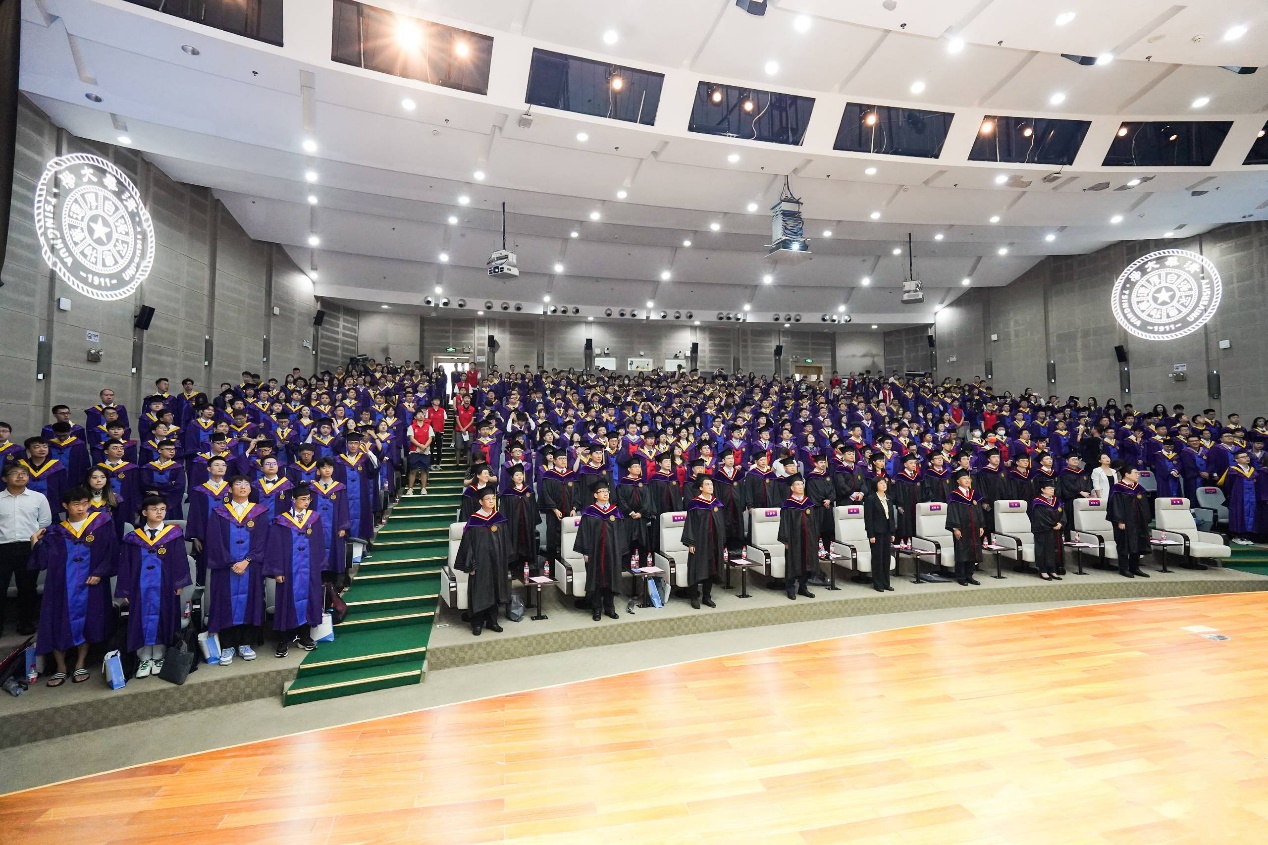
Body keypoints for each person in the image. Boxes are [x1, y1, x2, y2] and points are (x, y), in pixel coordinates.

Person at [31, 486, 117, 685]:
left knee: (87, 622)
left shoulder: (102, 523)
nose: (81, 508)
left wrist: (99, 572)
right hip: (62, 585)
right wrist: (35, 541)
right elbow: (42, 562)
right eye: (76, 504)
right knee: (56, 620)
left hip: (91, 583)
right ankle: (61, 667)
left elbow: (111, 550)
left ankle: (80, 663)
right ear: (65, 505)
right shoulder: (56, 531)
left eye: (85, 503)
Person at [115, 496, 190, 678]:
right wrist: (125, 589)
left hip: (165, 586)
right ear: (144, 512)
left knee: (164, 618)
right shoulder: (133, 538)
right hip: (139, 587)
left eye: (162, 509)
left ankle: (159, 656)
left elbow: (180, 560)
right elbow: (125, 565)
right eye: (154, 509)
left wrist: (179, 583)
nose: (159, 512)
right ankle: (144, 658)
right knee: (140, 619)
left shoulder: (174, 535)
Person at [204, 475, 271, 664]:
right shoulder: (219, 512)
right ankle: (227, 645)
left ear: (250, 489)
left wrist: (247, 560)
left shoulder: (259, 512)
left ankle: (245, 643)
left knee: (250, 602)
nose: (242, 487)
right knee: (225, 602)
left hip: (251, 567)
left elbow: (263, 540)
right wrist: (231, 562)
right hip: (225, 569)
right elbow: (215, 541)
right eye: (238, 484)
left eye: (246, 484)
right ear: (230, 489)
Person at [265, 484, 327, 657]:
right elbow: (275, 547)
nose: (306, 502)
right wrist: (277, 571)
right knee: (286, 602)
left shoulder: (314, 518)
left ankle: (304, 637)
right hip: (288, 570)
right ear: (293, 500)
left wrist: (319, 565)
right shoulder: (281, 521)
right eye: (303, 499)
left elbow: (319, 543)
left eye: (309, 499)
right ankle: (283, 640)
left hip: (309, 569)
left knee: (309, 601)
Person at [0, 462, 53, 636]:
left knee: (28, 587)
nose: (20, 476)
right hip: (2, 547)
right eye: (14, 473)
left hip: (28, 546)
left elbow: (45, 522)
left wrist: (35, 538)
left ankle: (26, 623)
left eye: (24, 473)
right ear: (4, 478)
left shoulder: (38, 498)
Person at [452, 486, 509, 635]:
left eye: (493, 499)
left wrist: (504, 562)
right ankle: (476, 623)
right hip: (480, 563)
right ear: (480, 502)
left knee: (495, 590)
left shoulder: (499, 518)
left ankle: (492, 621)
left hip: (496, 562)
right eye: (487, 499)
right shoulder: (474, 521)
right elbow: (467, 545)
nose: (491, 501)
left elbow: (505, 542)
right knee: (479, 592)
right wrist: (470, 565)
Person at [573, 480, 627, 621]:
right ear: (595, 495)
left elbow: (620, 533)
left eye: (606, 491)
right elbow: (584, 533)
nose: (605, 494)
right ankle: (596, 609)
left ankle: (610, 608)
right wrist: (585, 552)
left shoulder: (615, 512)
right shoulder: (589, 512)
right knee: (596, 580)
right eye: (601, 492)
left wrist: (619, 551)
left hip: (612, 552)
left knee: (611, 579)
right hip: (595, 552)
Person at [681, 476, 725, 610]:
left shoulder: (716, 503)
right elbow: (689, 524)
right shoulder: (695, 504)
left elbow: (720, 524)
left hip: (713, 542)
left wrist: (721, 541)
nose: (710, 487)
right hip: (699, 542)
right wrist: (691, 543)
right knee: (696, 568)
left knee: (711, 568)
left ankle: (707, 596)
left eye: (711, 484)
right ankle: (694, 597)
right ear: (701, 488)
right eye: (707, 484)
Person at [777, 474, 818, 601]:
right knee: (793, 562)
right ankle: (790, 588)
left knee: (806, 561)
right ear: (792, 488)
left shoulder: (809, 503)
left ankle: (803, 587)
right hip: (793, 539)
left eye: (801, 484)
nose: (800, 487)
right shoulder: (788, 505)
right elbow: (784, 524)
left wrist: (815, 537)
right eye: (797, 485)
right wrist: (785, 540)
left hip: (808, 538)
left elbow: (814, 523)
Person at [310, 458, 351, 585]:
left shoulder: (340, 488)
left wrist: (343, 527)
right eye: (323, 467)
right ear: (318, 470)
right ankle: (320, 581)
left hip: (335, 527)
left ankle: (337, 582)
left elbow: (344, 508)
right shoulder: (312, 489)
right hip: (316, 528)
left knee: (336, 554)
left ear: (333, 469)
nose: (327, 470)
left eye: (329, 467)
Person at [1106, 466, 1151, 579]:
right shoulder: (1117, 488)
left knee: (1137, 543)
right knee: (1124, 544)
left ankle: (1134, 568)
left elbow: (1144, 505)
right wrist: (1119, 520)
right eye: (1135, 473)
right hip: (1125, 522)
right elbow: (1115, 506)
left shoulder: (1138, 488)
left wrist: (1145, 519)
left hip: (1138, 521)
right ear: (1126, 474)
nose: (1138, 475)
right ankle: (1123, 568)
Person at [944, 470, 984, 586]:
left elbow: (979, 511)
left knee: (973, 550)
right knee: (962, 551)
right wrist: (955, 528)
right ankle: (961, 576)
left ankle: (969, 575)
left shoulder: (974, 494)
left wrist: (981, 525)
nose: (967, 480)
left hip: (974, 527)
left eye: (968, 478)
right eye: (964, 478)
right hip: (962, 528)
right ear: (958, 481)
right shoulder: (954, 496)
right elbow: (952, 513)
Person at [538, 449, 576, 564]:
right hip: (553, 513)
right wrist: (554, 509)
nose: (563, 461)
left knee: (568, 537)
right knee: (553, 537)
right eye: (560, 459)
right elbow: (546, 493)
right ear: (554, 461)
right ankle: (552, 566)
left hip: (569, 512)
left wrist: (574, 508)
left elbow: (577, 493)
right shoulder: (548, 475)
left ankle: (567, 564)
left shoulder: (571, 475)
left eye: (565, 459)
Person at [501, 465, 540, 576]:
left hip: (527, 524)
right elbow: (503, 510)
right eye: (517, 475)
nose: (519, 477)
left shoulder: (529, 491)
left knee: (527, 541)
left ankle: (528, 565)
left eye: (521, 474)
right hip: (513, 525)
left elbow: (533, 508)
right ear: (512, 478)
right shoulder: (507, 493)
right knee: (514, 543)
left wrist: (533, 522)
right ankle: (513, 567)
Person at [863, 476, 897, 593]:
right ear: (875, 485)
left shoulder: (888, 498)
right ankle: (877, 583)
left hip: (887, 531)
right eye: (881, 483)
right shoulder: (871, 499)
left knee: (886, 558)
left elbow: (891, 517)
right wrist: (870, 535)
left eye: (884, 483)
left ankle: (886, 583)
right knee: (877, 558)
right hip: (876, 533)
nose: (884, 485)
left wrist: (892, 532)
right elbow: (868, 519)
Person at [1219, 450, 1258, 545]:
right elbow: (1228, 485)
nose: (1246, 458)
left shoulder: (1252, 470)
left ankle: (1246, 536)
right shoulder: (1233, 470)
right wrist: (1234, 495)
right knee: (1239, 515)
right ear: (1236, 460)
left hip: (1251, 498)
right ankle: (1237, 536)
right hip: (1238, 497)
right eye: (1243, 457)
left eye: (1247, 456)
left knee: (1251, 514)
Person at [1029, 481, 1064, 582]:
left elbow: (1063, 514)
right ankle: (1043, 571)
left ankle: (1053, 570)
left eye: (1053, 488)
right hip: (1042, 530)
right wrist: (1053, 525)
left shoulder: (1057, 501)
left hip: (1056, 531)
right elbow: (1040, 517)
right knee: (1043, 550)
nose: (1052, 490)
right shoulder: (1038, 502)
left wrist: (1061, 523)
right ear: (1042, 490)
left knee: (1054, 550)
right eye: (1049, 488)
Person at [407, 408, 432, 494]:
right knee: (413, 470)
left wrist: (424, 447)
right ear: (415, 417)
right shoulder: (411, 427)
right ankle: (410, 488)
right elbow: (411, 438)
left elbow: (430, 438)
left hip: (426, 451)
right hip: (414, 451)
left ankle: (423, 488)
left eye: (422, 414)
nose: (421, 415)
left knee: (424, 470)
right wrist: (421, 446)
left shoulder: (428, 426)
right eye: (419, 414)